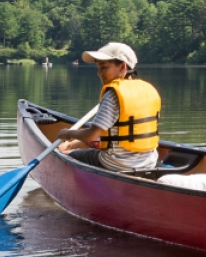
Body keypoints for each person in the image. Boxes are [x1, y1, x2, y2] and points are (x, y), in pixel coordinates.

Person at [58, 42, 161, 172]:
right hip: (149, 163)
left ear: (122, 66)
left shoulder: (112, 95)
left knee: (72, 156)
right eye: (98, 68)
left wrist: (68, 133)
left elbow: (92, 135)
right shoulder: (149, 90)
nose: (99, 73)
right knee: (91, 147)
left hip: (116, 164)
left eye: (104, 67)